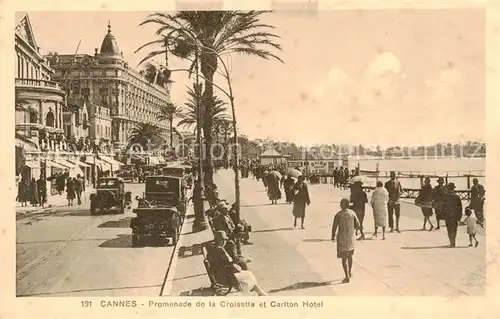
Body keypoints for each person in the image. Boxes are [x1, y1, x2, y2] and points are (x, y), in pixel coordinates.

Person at [208, 231, 266, 296]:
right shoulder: (220, 249)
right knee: (249, 275)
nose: (225, 242)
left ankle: (259, 292)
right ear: (220, 240)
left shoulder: (212, 249)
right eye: (224, 240)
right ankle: (259, 292)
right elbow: (230, 260)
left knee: (247, 276)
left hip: (219, 275)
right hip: (225, 277)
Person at [331, 198, 360, 283]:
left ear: (343, 205)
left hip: (342, 238)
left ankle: (347, 276)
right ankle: (349, 272)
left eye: (341, 203)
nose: (340, 204)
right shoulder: (352, 213)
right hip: (351, 238)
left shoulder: (338, 215)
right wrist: (353, 230)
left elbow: (334, 227)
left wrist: (332, 236)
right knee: (350, 256)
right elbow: (358, 225)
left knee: (344, 259)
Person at [442, 182, 462, 248]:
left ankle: (451, 242)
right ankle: (454, 242)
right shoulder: (457, 196)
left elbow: (443, 206)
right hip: (455, 215)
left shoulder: (445, 196)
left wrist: (442, 215)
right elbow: (460, 207)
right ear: (453, 188)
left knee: (449, 229)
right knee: (454, 229)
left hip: (448, 215)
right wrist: (459, 216)